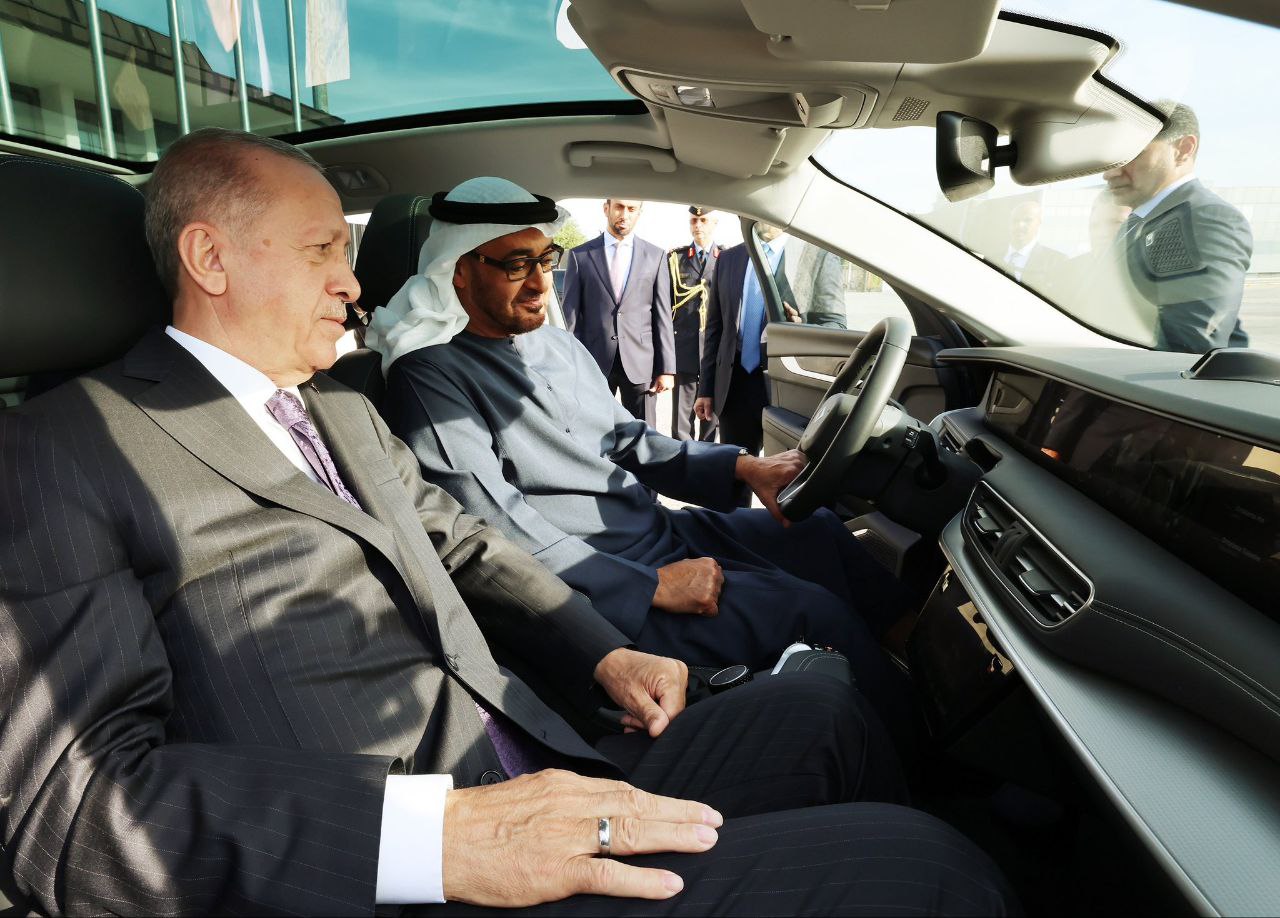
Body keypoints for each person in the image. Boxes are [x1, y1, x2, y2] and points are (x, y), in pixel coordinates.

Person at [0, 131, 1017, 916]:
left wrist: (602, 650)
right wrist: (433, 839)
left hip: (539, 755)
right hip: (415, 865)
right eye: (321, 250)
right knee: (928, 871)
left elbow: (462, 539)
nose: (353, 282)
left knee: (827, 708)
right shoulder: (64, 452)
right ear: (210, 258)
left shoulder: (338, 406)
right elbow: (71, 811)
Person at [372, 179, 917, 745]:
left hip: (660, 531)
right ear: (459, 270)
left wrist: (742, 468)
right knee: (814, 614)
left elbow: (629, 439)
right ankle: (922, 756)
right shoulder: (429, 377)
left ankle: (926, 662)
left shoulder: (556, 344)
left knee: (822, 533)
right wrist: (648, 585)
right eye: (516, 265)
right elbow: (493, 526)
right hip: (600, 585)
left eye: (544, 260)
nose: (539, 283)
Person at [1102, 101, 1252, 353]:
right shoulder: (1139, 223)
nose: (1110, 173)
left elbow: (1188, 351)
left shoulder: (1203, 219)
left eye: (1132, 154)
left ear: (1183, 150)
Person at [562, 198, 674, 425]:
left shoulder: (656, 256)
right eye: (619, 207)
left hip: (641, 363)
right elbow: (570, 319)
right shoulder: (580, 256)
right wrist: (569, 364)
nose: (624, 214)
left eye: (631, 209)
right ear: (606, 209)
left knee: (644, 435)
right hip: (594, 363)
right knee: (593, 430)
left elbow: (662, 316)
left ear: (639, 213)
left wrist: (667, 369)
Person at [666, 206, 721, 441]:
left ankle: (707, 458)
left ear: (714, 223)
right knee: (680, 421)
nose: (698, 225)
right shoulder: (675, 259)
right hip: (684, 347)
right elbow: (666, 304)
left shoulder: (726, 258)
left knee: (711, 419)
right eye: (693, 221)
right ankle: (682, 459)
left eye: (703, 220)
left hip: (714, 349)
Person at [1000, 200, 1068, 293]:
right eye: (1015, 220)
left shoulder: (1056, 261)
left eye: (1027, 220)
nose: (1020, 225)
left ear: (1039, 223)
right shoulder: (990, 256)